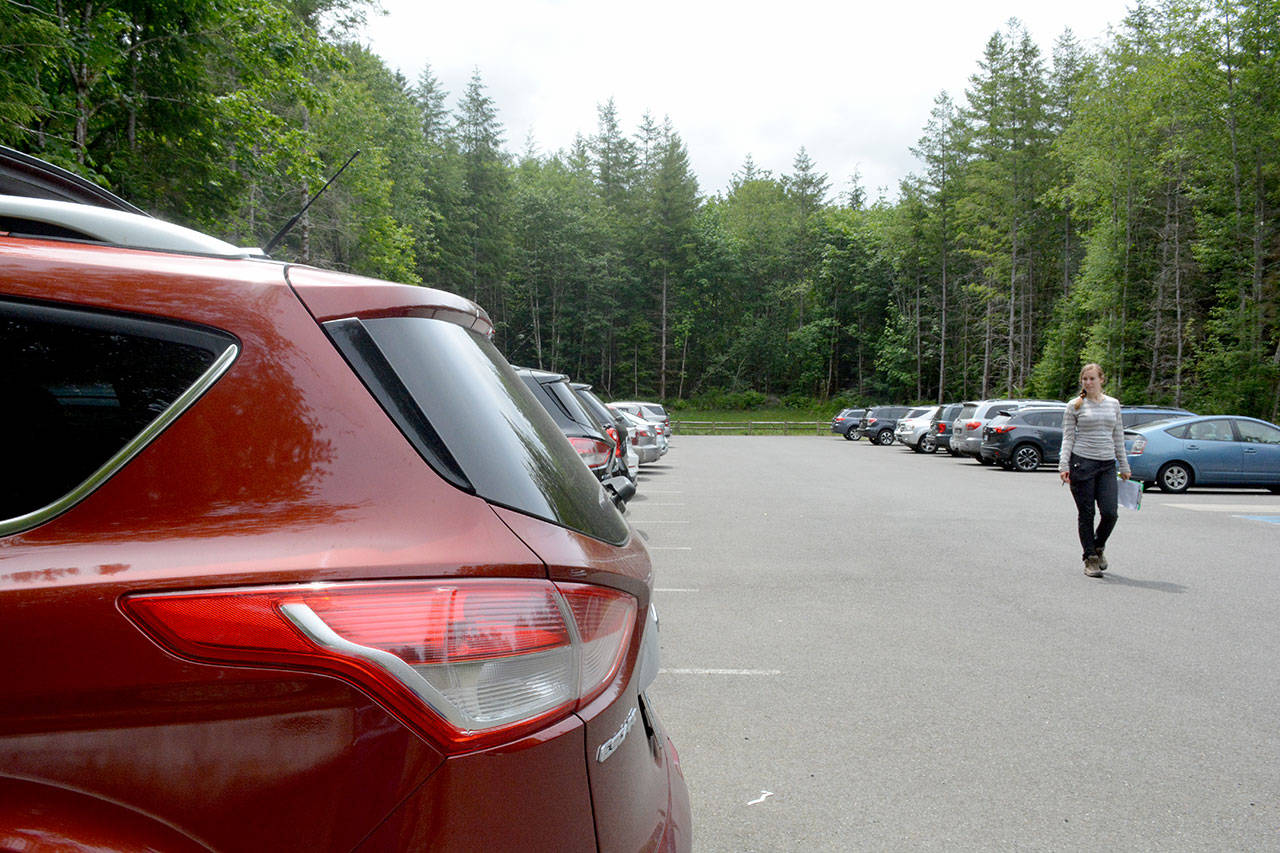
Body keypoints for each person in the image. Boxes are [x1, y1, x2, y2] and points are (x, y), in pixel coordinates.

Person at [1058, 363, 1131, 577]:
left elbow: (1118, 436)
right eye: (1085, 379)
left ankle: (1098, 547)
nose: (1088, 382)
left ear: (1101, 380)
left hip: (1107, 464)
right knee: (1087, 513)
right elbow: (1068, 437)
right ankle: (1089, 558)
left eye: (1092, 378)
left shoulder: (1113, 404)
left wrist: (1124, 465)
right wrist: (1064, 465)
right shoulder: (1075, 405)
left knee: (1110, 512)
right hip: (1082, 463)